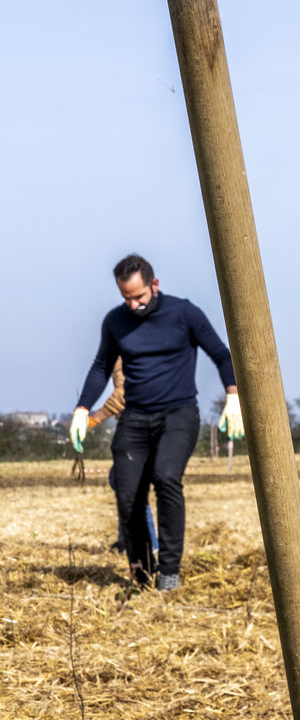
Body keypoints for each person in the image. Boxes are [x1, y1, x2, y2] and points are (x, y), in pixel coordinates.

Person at [71, 254, 242, 592]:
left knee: (166, 478)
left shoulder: (184, 313)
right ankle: (141, 573)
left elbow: (222, 355)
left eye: (139, 297)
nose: (133, 305)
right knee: (127, 494)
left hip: (178, 415)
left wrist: (233, 397)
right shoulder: (115, 321)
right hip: (135, 417)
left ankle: (169, 573)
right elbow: (101, 366)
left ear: (155, 285)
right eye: (126, 298)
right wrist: (82, 409)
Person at [85, 357, 158, 556]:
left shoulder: (122, 356)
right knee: (124, 485)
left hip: (137, 429)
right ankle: (126, 539)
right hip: (144, 425)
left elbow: (123, 393)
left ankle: (149, 543)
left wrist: (93, 419)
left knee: (129, 487)